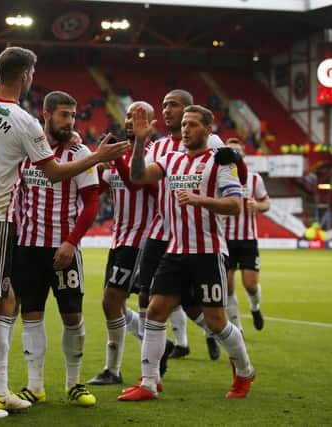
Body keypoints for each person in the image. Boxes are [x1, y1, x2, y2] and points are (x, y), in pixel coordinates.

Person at [0, 46, 129, 419]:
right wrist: (98, 158)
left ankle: (3, 388)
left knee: (7, 302)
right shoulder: (24, 122)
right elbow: (55, 172)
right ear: (26, 75)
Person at [118, 104, 255, 402]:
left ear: (208, 130)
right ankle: (149, 383)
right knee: (154, 311)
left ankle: (245, 372)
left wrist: (198, 199)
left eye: (193, 125)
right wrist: (140, 142)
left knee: (216, 322)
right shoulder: (171, 159)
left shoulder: (220, 163)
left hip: (207, 253)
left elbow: (234, 205)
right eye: (184, 125)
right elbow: (138, 176)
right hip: (175, 250)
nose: (186, 130)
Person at [11, 91, 100, 407]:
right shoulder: (27, 148)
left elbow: (91, 203)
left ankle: (74, 383)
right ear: (46, 115)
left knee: (72, 316)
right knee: (31, 314)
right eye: (63, 115)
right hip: (28, 248)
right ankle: (35, 386)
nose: (69, 122)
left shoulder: (80, 153)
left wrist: (71, 242)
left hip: (64, 249)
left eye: (72, 116)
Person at [132, 90, 229, 363]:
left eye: (173, 105)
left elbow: (232, 171)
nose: (166, 111)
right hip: (162, 230)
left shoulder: (213, 142)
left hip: (195, 236)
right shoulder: (159, 147)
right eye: (163, 106)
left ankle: (214, 334)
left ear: (189, 109)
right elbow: (139, 176)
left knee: (190, 302)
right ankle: (154, 363)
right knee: (145, 296)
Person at [87, 101, 158, 386]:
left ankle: (114, 369)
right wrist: (96, 162)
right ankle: (148, 339)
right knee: (111, 303)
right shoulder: (120, 153)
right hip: (119, 239)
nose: (130, 120)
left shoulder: (154, 155)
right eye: (128, 115)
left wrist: (114, 159)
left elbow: (135, 182)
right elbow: (101, 187)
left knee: (112, 300)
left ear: (151, 123)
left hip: (140, 240)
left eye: (138, 116)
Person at [223, 138, 270, 332]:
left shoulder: (254, 178)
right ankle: (237, 328)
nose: (235, 156)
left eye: (238, 152)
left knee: (250, 285)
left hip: (248, 239)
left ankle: (255, 307)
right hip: (225, 240)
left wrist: (257, 206)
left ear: (243, 154)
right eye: (231, 152)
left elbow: (267, 203)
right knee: (228, 286)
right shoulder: (220, 176)